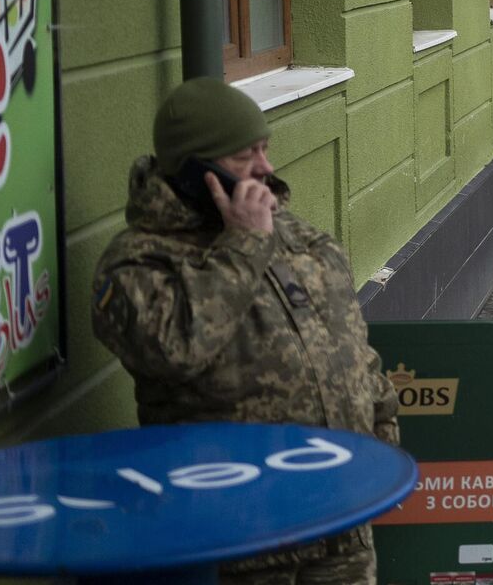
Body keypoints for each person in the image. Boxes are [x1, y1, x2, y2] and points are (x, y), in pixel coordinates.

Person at [92, 79, 400, 583]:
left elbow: (349, 345)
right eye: (243, 157)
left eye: (265, 149)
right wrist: (241, 246)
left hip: (339, 523)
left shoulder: (296, 236)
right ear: (194, 170)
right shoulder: (139, 262)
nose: (266, 169)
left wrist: (383, 436)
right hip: (238, 540)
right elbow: (173, 349)